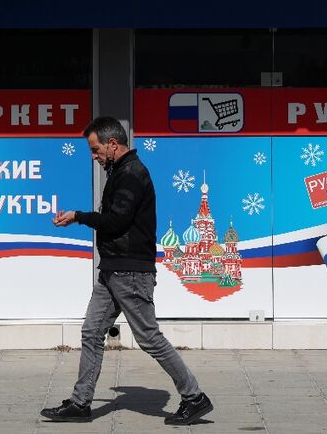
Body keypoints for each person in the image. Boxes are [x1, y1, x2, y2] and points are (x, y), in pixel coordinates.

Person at [41, 116, 213, 426]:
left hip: (130, 271)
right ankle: (81, 403)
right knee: (92, 332)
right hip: (113, 269)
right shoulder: (120, 171)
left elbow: (117, 221)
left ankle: (194, 397)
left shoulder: (132, 174)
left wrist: (79, 216)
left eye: (95, 150)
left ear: (112, 144)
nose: (94, 157)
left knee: (148, 337)